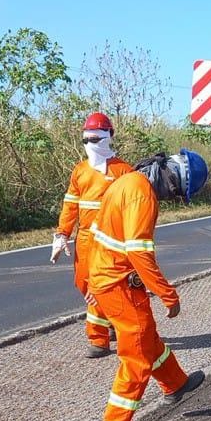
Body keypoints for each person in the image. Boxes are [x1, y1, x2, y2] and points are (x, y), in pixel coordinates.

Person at [87, 149, 210, 421]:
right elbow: (139, 253)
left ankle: (175, 383)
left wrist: (91, 278)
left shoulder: (127, 181)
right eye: (177, 191)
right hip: (119, 287)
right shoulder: (142, 195)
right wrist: (168, 294)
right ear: (172, 178)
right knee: (138, 357)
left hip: (108, 280)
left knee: (148, 338)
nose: (173, 197)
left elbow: (96, 235)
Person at [51, 112, 133, 357]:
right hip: (85, 239)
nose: (91, 145)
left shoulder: (123, 171)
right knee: (84, 283)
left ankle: (98, 341)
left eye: (96, 139)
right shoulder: (80, 171)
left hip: (110, 241)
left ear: (110, 137)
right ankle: (111, 321)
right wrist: (62, 234)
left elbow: (132, 208)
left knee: (101, 287)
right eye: (86, 140)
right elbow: (70, 205)